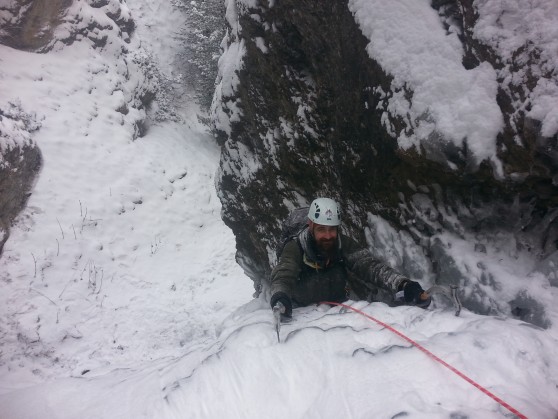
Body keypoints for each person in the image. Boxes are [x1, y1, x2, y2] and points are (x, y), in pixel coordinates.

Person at [270, 197, 431, 317]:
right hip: (304, 313)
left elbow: (369, 266)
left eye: (332, 229)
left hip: (339, 311)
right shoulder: (295, 247)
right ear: (310, 226)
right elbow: (284, 273)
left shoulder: (341, 243)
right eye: (321, 229)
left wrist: (403, 285)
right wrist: (281, 297)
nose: (328, 236)